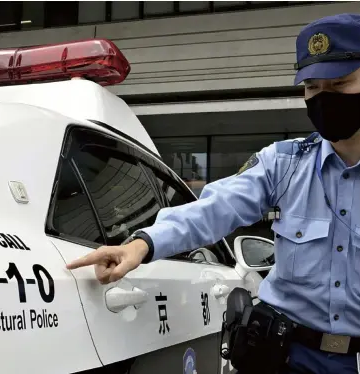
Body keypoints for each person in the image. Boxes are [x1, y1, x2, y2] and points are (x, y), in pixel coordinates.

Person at [67, 13, 360, 374]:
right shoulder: (284, 164)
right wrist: (140, 244)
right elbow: (214, 208)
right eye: (312, 88)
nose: (323, 98)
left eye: (339, 84)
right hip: (289, 355)